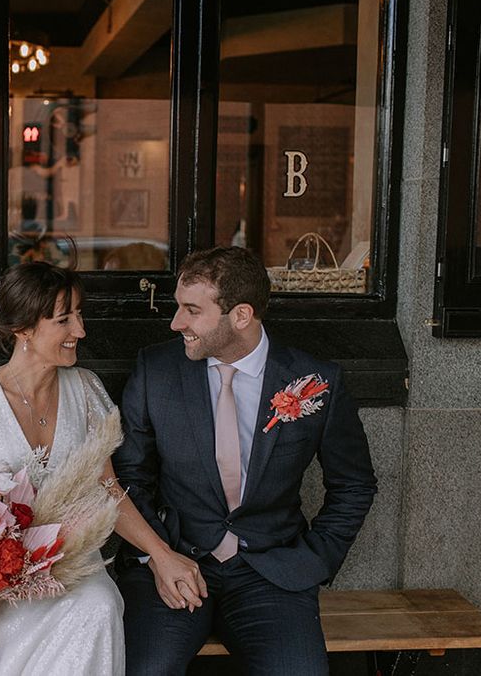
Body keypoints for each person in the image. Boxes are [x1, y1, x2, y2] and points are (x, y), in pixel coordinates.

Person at [0, 261, 194, 676]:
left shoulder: (86, 391)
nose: (79, 331)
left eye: (79, 315)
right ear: (24, 329)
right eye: (64, 320)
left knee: (98, 605)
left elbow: (108, 492)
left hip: (66, 570)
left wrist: (162, 554)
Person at [113, 246, 377, 675]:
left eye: (191, 310)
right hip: (175, 561)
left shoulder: (315, 382)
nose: (176, 322)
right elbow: (128, 477)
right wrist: (159, 555)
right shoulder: (155, 370)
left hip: (273, 572)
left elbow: (354, 485)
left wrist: (315, 559)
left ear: (240, 315)